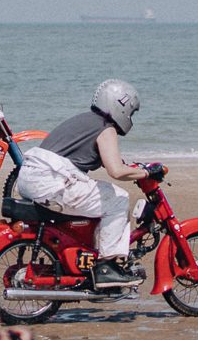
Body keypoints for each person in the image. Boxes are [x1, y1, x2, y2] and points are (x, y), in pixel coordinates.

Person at [14, 78, 147, 288]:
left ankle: (88, 258)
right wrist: (146, 173)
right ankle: (106, 266)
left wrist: (131, 168)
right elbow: (116, 171)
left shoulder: (85, 120)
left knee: (97, 194)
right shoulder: (105, 128)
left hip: (31, 179)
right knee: (119, 198)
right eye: (131, 111)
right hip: (51, 182)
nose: (130, 117)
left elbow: (107, 161)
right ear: (121, 105)